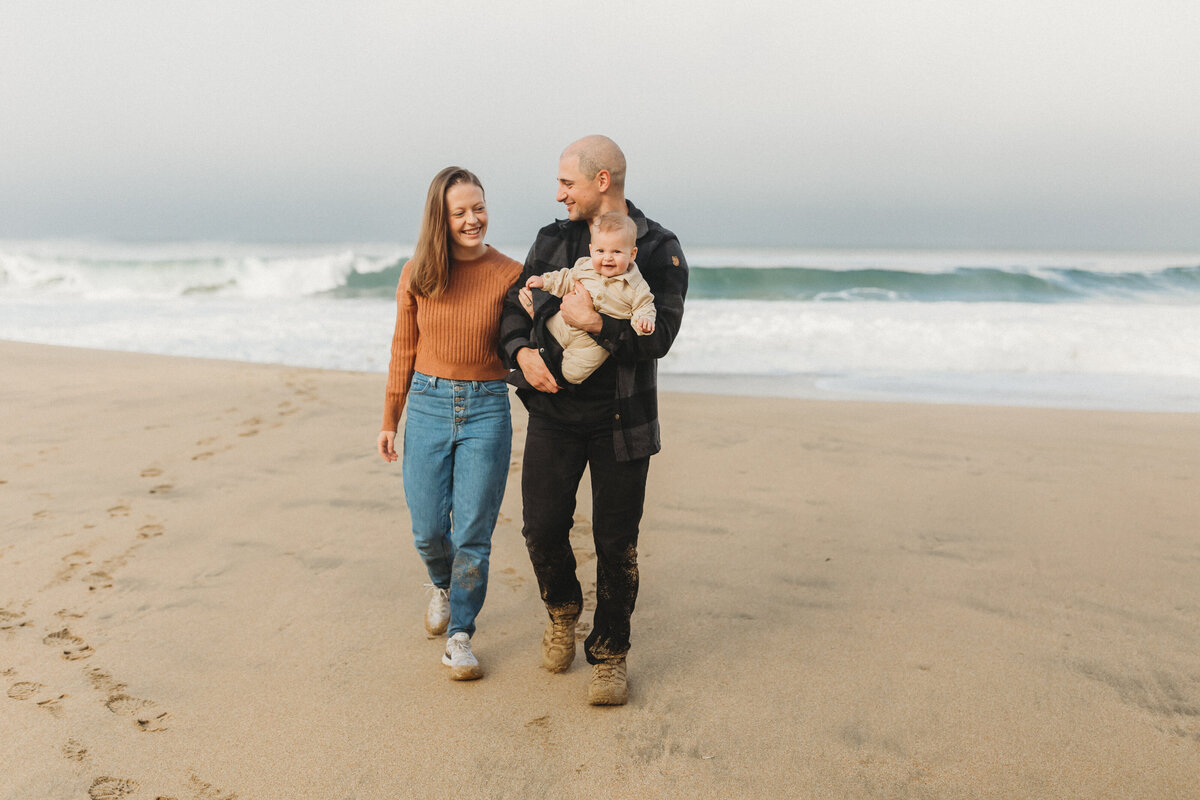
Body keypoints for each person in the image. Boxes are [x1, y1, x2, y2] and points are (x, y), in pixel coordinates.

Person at [499, 135, 688, 705]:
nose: (558, 195)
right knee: (543, 528)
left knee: (616, 543)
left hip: (621, 421)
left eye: (567, 183)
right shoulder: (553, 240)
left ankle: (609, 654)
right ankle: (561, 611)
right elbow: (515, 303)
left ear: (601, 181)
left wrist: (596, 323)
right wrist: (520, 354)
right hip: (553, 412)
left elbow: (662, 339)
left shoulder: (657, 247)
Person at [377, 166, 522, 681]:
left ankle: (460, 636)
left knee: (475, 535)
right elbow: (403, 348)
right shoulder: (418, 272)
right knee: (427, 530)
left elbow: (522, 343)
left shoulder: (510, 272)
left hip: (487, 406)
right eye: (459, 211)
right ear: (440, 217)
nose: (472, 219)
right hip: (428, 402)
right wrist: (390, 417)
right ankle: (440, 582)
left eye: (478, 207)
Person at [524, 211, 656, 385]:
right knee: (542, 329)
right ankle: (542, 364)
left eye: (616, 251)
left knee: (573, 374)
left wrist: (644, 320)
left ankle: (558, 379)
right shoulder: (584, 267)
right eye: (600, 251)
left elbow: (644, 306)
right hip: (563, 323)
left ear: (632, 254)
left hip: (592, 343)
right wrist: (544, 281)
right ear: (591, 250)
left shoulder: (637, 286)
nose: (607, 258)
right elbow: (564, 278)